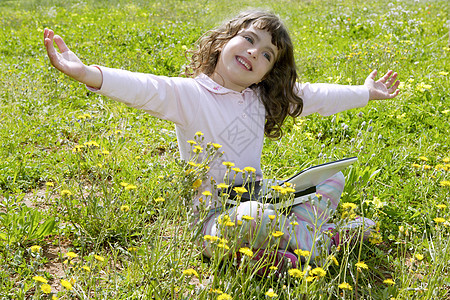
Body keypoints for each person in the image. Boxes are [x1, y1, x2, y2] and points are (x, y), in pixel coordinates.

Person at [44, 10, 399, 270]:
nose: (253, 53)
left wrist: (366, 92)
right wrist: (89, 73)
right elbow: (144, 86)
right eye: (249, 40)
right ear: (224, 40)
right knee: (252, 218)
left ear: (268, 73)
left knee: (331, 179)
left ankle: (286, 249)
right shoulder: (188, 95)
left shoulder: (262, 99)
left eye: (266, 55)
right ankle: (320, 241)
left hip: (263, 192)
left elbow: (320, 96)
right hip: (216, 212)